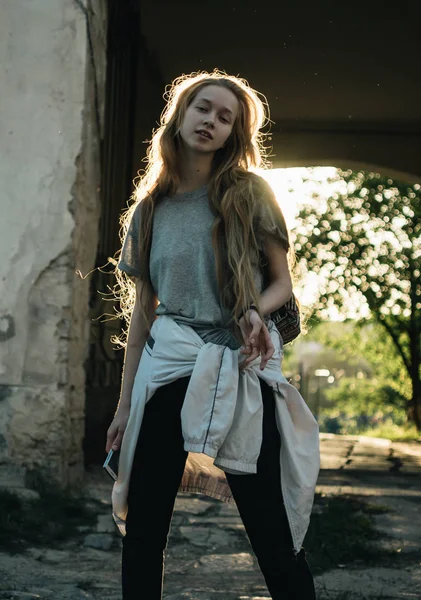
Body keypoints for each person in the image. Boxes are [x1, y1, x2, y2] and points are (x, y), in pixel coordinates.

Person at [105, 70, 320, 600]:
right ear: (180, 114)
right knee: (145, 529)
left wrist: (252, 310)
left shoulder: (249, 194)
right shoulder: (150, 209)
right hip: (169, 365)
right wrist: (125, 405)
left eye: (226, 117)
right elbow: (143, 321)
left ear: (233, 135)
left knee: (268, 527)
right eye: (204, 108)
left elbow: (282, 283)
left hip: (236, 364)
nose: (211, 121)